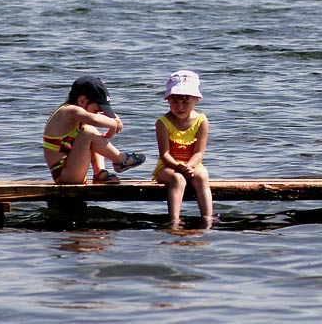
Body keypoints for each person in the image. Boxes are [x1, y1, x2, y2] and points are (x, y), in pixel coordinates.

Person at [43, 76, 146, 184]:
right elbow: (94, 119)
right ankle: (120, 159)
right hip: (65, 175)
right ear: (82, 101)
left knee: (88, 129)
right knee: (88, 133)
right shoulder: (70, 111)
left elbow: (96, 118)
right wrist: (114, 124)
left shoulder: (78, 115)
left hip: (71, 171)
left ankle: (99, 172)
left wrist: (112, 118)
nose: (97, 113)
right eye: (96, 110)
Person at [153, 70, 213, 226]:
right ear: (168, 100)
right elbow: (164, 155)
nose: (179, 107)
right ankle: (174, 220)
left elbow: (199, 152)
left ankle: (208, 217)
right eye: (175, 101)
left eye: (185, 102)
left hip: (192, 164)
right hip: (168, 167)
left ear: (196, 100)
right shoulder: (163, 122)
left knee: (202, 176)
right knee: (177, 178)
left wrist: (190, 166)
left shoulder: (201, 120)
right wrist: (178, 166)